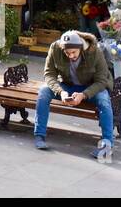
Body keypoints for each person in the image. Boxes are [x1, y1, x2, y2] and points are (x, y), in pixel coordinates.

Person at [35, 30, 115, 161]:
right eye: (67, 53)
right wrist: (61, 92)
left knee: (104, 100)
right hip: (67, 85)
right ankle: (39, 135)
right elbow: (49, 74)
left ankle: (107, 144)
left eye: (74, 52)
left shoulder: (95, 52)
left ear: (81, 48)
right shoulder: (55, 48)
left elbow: (102, 81)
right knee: (44, 92)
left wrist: (84, 95)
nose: (71, 56)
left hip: (91, 87)